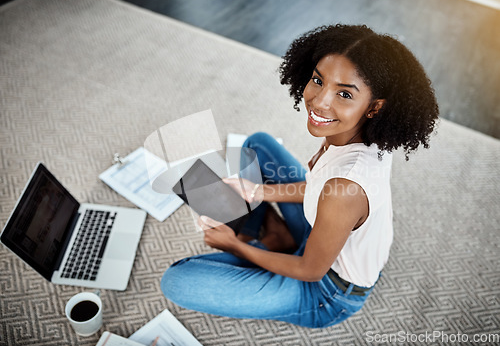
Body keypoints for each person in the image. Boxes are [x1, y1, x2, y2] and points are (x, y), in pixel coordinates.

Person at [161, 24, 439, 328]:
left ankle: (263, 238)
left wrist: (236, 247)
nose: (320, 101)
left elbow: (310, 270)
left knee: (177, 281)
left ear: (375, 107)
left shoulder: (346, 185)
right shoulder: (358, 137)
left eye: (344, 93)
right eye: (318, 80)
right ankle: (275, 236)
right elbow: (319, 188)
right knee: (258, 145)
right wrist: (258, 191)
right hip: (324, 230)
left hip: (327, 291)